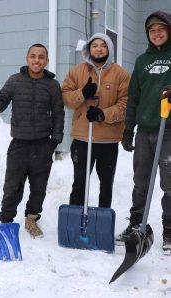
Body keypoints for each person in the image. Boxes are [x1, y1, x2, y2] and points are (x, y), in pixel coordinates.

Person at [0, 43, 64, 238]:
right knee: (12, 187)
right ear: (27, 59)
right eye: (33, 56)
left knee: (39, 188)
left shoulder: (52, 85)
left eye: (41, 57)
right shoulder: (15, 81)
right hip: (19, 145)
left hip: (43, 144)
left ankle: (31, 219)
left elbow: (59, 114)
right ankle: (6, 222)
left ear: (47, 61)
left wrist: (55, 140)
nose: (37, 60)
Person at [116, 11, 171, 254]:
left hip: (168, 131)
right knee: (141, 183)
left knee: (170, 184)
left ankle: (169, 229)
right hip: (145, 131)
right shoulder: (142, 61)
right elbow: (134, 97)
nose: (156, 33)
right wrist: (129, 129)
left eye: (161, 29)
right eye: (152, 30)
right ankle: (137, 222)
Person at [61, 33, 130, 209]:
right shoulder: (76, 72)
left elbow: (126, 104)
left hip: (108, 141)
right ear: (89, 49)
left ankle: (102, 220)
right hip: (83, 139)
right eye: (95, 45)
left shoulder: (120, 74)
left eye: (103, 45)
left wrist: (102, 114)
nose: (99, 49)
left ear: (109, 49)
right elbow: (65, 98)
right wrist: (82, 94)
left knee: (106, 185)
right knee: (79, 183)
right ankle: (76, 221)